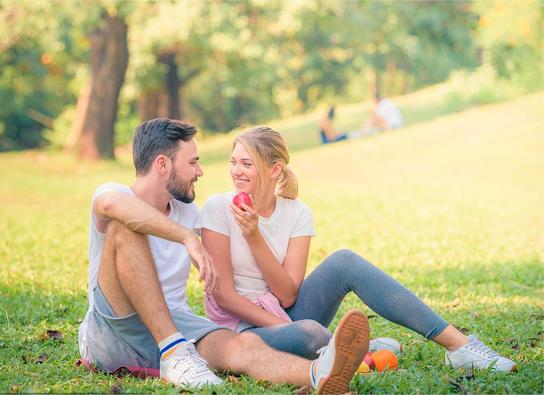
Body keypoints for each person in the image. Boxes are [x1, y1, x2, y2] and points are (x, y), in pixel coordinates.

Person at [77, 118, 371, 394]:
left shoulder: (189, 213)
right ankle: (174, 353)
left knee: (241, 346)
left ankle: (319, 374)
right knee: (124, 228)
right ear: (163, 164)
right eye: (193, 163)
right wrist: (185, 237)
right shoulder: (112, 193)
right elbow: (113, 206)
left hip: (179, 323)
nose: (200, 172)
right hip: (115, 329)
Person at [198, 126, 517, 372]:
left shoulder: (297, 213)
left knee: (344, 261)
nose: (236, 171)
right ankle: (349, 346)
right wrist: (287, 326)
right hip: (242, 328)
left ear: (274, 169)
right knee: (307, 334)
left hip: (285, 311)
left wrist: (255, 236)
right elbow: (225, 296)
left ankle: (458, 346)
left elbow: (288, 296)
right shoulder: (218, 208)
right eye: (233, 162)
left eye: (247, 164)